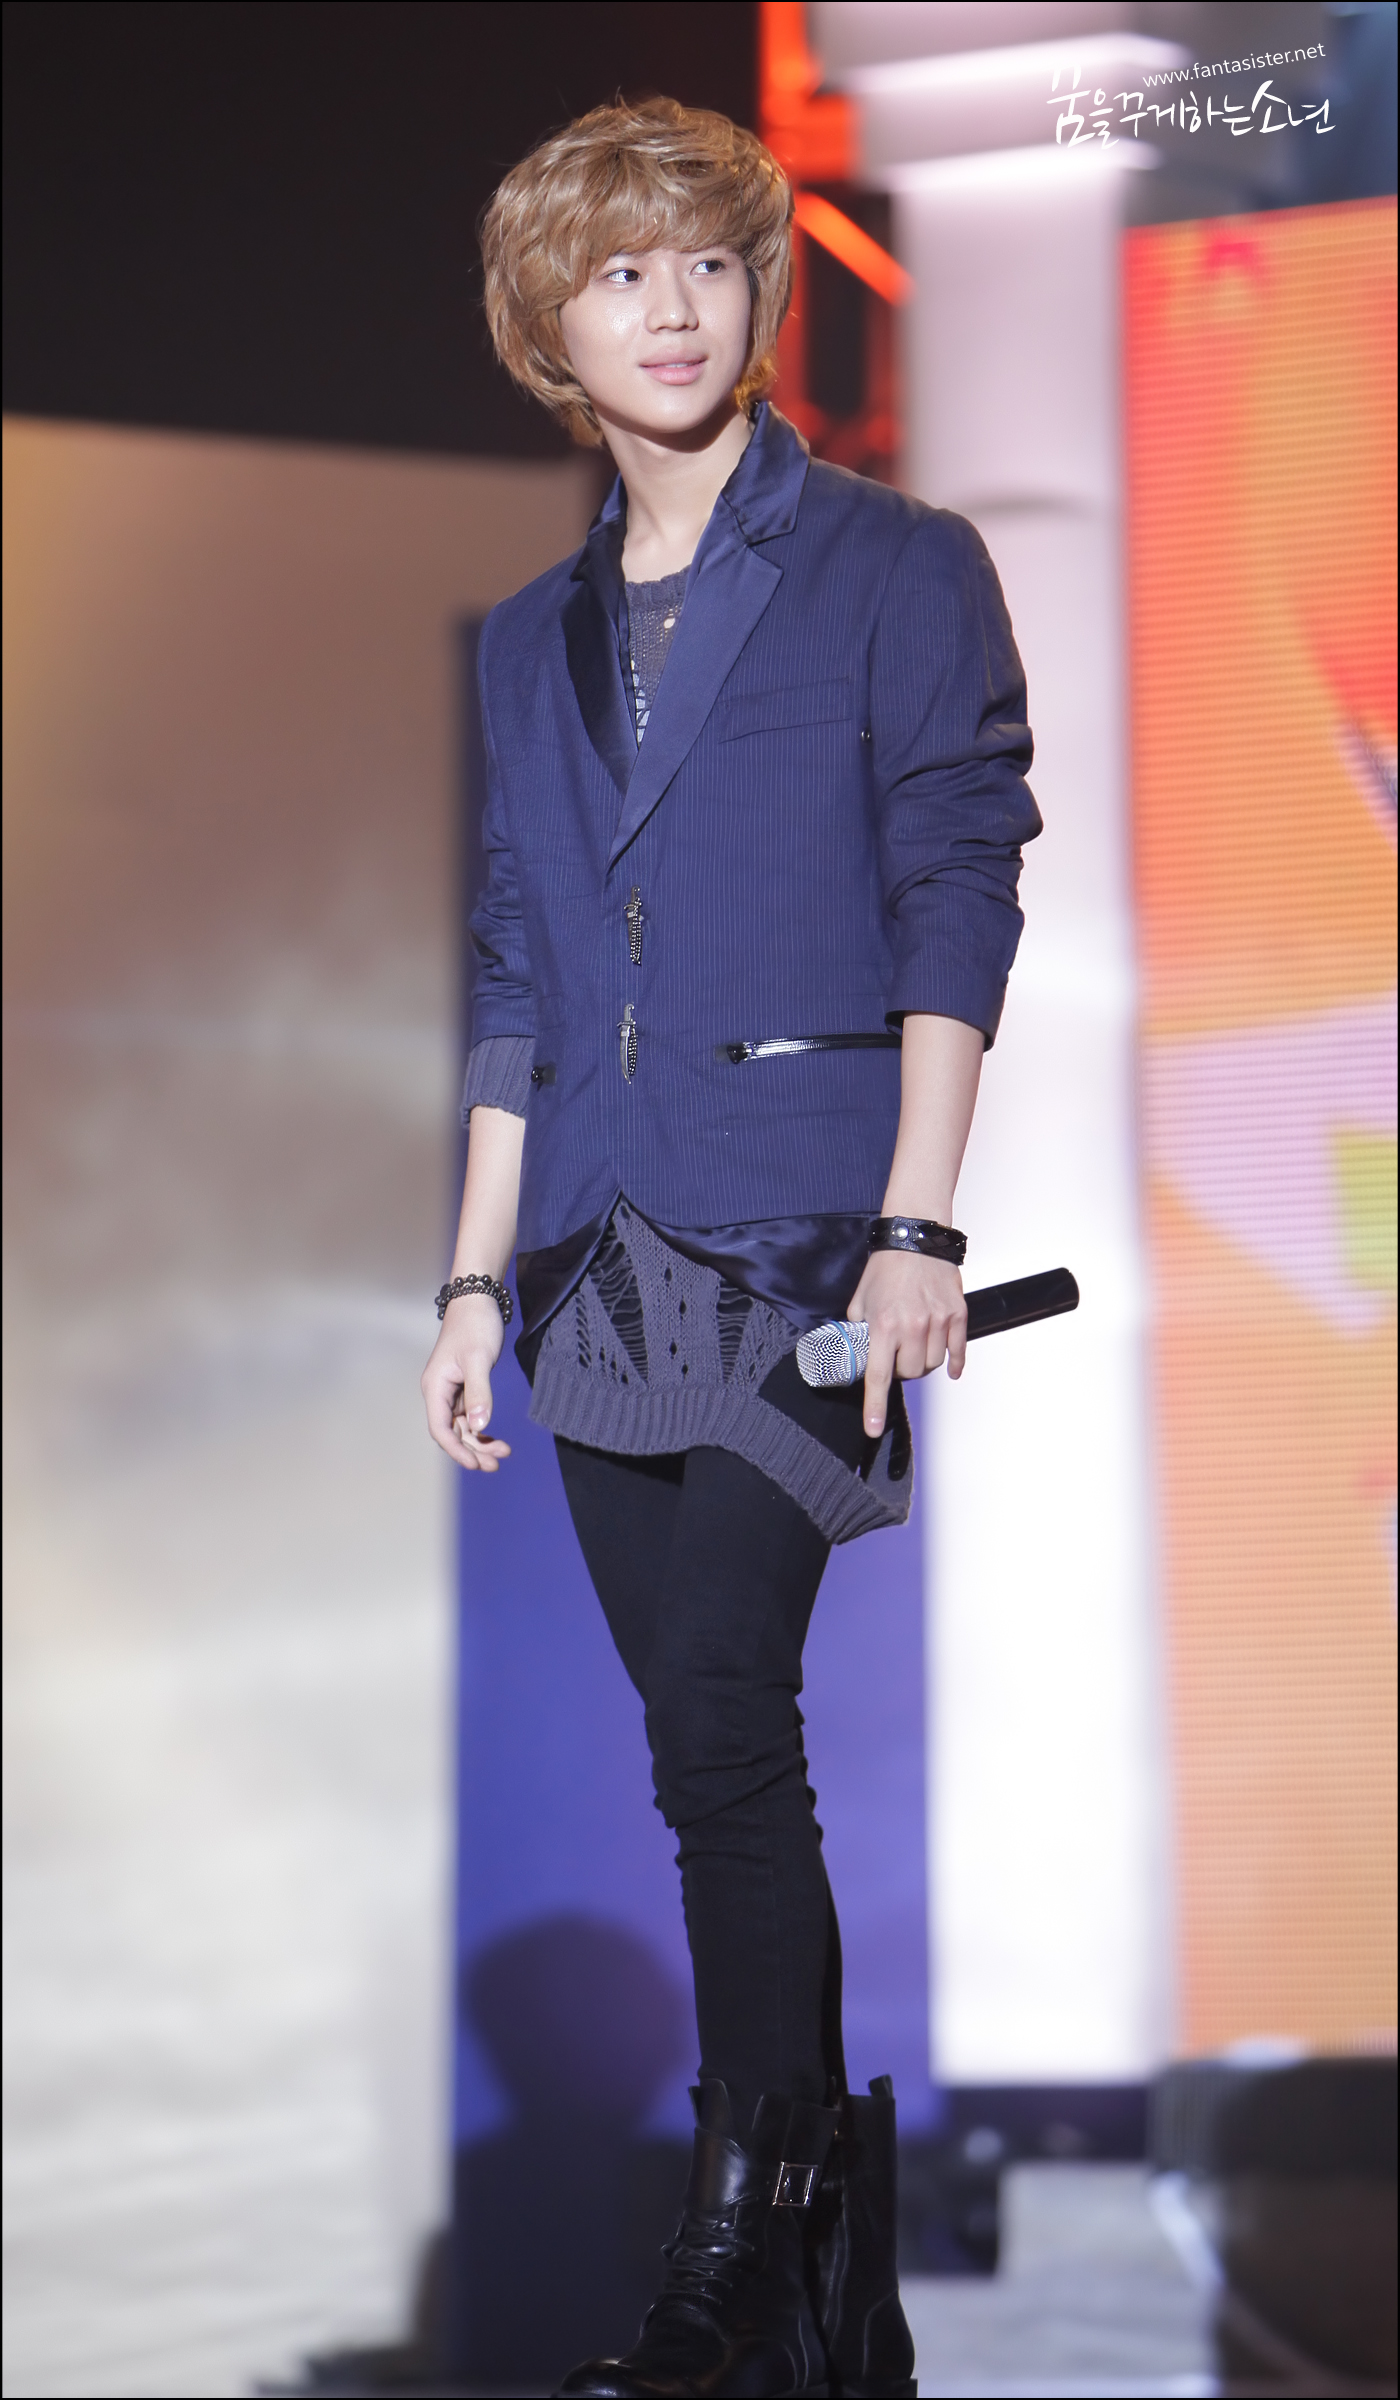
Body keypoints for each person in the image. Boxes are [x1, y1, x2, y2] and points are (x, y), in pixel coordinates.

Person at [421, 96, 1039, 2400]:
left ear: (760, 290)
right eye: (619, 274)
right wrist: (469, 1278)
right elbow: (515, 963)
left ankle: (736, 2265)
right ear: (548, 329)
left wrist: (915, 1222)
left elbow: (954, 886)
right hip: (593, 1253)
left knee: (716, 1699)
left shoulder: (892, 564)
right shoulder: (528, 640)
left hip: (803, 1241)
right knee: (710, 1768)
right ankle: (816, 2282)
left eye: (705, 261)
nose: (671, 308)